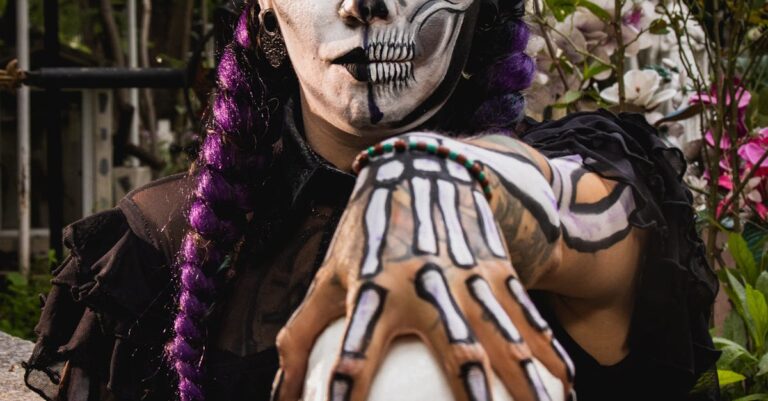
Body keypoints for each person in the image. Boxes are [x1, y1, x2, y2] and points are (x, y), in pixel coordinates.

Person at [23, 0, 720, 400]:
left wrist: (437, 184)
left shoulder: (592, 182)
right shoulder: (155, 247)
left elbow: (599, 219)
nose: (363, 3)